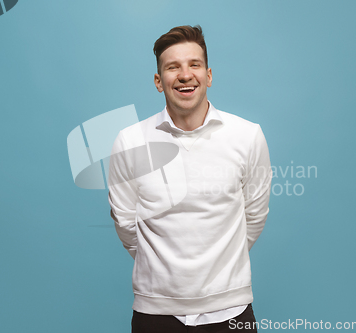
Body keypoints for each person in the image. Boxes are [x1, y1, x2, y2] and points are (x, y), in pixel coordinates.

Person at [108, 25, 272, 333]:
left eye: (194, 65)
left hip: (232, 312)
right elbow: (126, 223)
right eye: (173, 67)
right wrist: (164, 272)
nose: (185, 75)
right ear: (159, 81)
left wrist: (220, 268)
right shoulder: (129, 142)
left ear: (208, 75)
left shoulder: (247, 136)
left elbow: (254, 216)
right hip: (154, 313)